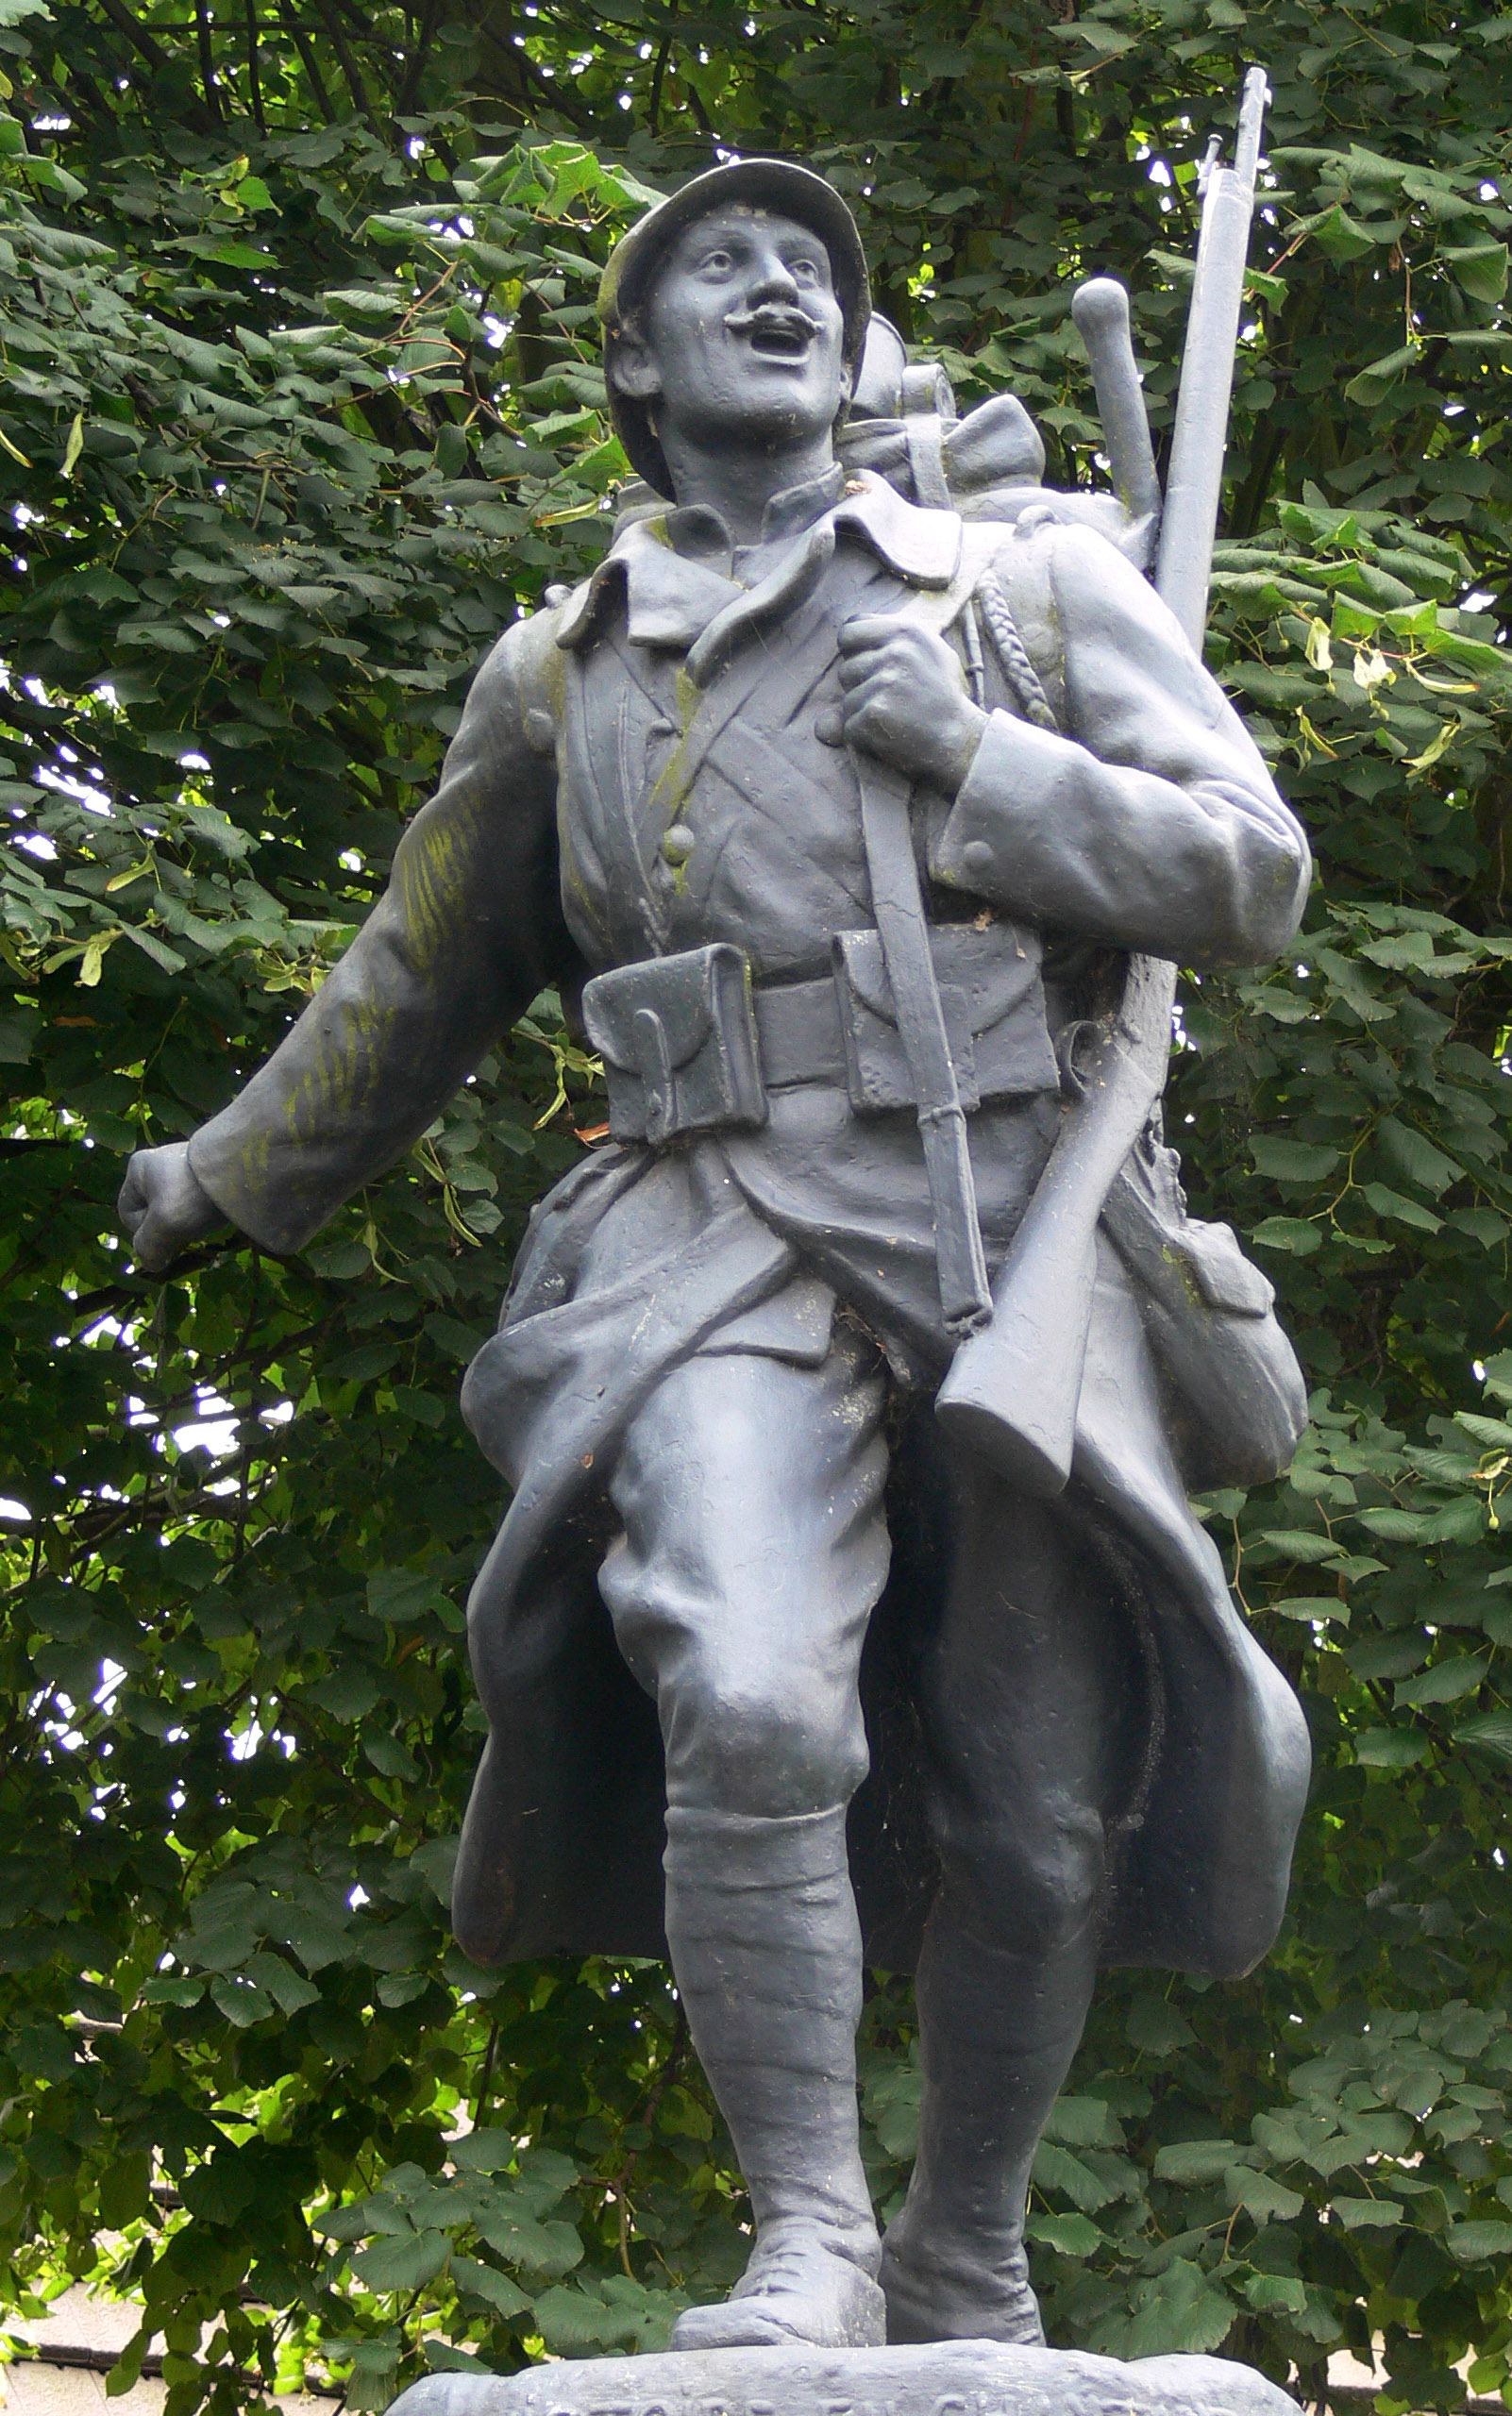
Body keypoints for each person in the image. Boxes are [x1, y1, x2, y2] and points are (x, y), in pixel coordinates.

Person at [119, 159, 1314, 2359]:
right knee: (745, 1688)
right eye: (716, 269)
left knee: (1039, 1808)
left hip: (1000, 1204)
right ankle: (806, 2231)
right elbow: (423, 962)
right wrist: (228, 1166)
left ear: (852, 353)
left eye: (815, 271)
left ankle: (968, 2242)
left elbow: (1249, 868)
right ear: (634, 364)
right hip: (698, 1219)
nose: (780, 286)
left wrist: (982, 756)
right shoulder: (557, 663)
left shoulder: (1023, 583)